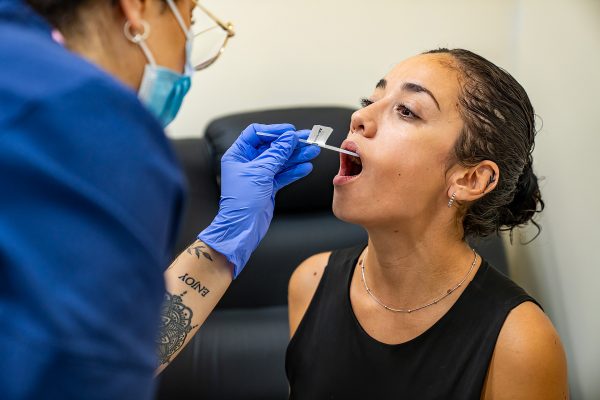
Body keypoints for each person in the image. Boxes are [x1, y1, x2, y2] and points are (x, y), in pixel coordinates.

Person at [0, 0, 319, 398]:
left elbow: (98, 332)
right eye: (191, 18)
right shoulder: (90, 124)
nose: (186, 53)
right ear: (138, 7)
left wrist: (225, 240)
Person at [287, 49, 569, 399]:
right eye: (369, 101)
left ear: (471, 179)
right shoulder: (310, 282)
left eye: (406, 110)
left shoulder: (520, 341)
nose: (359, 116)